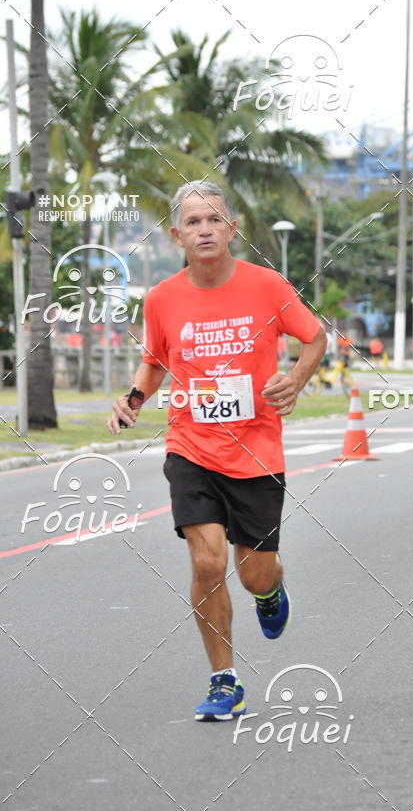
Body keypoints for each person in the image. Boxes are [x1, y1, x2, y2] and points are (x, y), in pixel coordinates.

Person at [107, 182, 325, 721]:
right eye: (193, 221)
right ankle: (225, 680)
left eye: (214, 219)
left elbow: (314, 337)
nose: (204, 229)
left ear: (231, 229)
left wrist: (295, 380)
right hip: (191, 445)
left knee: (255, 574)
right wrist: (135, 397)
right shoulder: (161, 298)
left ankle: (270, 594)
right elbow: (156, 359)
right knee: (207, 563)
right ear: (176, 234)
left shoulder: (267, 286)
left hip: (256, 452)